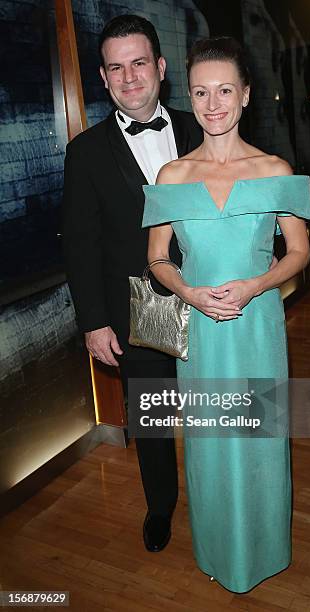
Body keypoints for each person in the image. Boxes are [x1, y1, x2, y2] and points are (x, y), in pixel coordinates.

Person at [142, 37, 310, 592]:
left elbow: (299, 251)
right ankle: (218, 548)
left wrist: (258, 283)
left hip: (257, 327)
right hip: (202, 333)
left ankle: (264, 550)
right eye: (200, 92)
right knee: (211, 445)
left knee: (261, 440)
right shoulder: (172, 176)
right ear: (188, 97)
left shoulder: (274, 169)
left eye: (224, 90)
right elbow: (156, 259)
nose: (213, 104)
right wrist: (190, 294)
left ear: (245, 95)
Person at [62, 14, 203, 553]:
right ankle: (161, 507)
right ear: (102, 77)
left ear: (161, 67)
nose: (129, 77)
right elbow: (79, 244)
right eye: (116, 68)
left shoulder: (202, 128)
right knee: (154, 419)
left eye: (139, 62)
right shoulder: (86, 151)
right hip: (135, 311)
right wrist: (93, 322)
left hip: (211, 298)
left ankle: (219, 496)